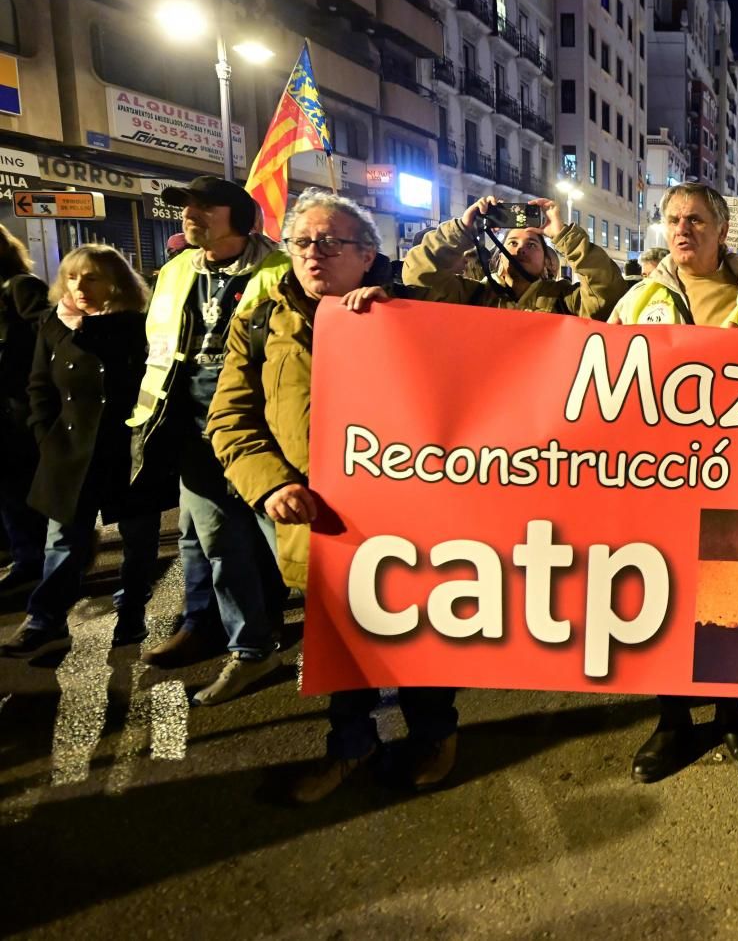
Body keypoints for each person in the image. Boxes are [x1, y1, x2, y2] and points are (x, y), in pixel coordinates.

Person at [209, 189, 459, 803]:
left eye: (332, 242)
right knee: (343, 643)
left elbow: (483, 372)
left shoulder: (413, 308)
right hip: (319, 517)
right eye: (302, 242)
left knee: (422, 630)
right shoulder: (261, 316)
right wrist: (270, 483)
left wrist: (401, 314)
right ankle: (352, 746)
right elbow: (230, 417)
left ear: (369, 255)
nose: (313, 254)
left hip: (411, 514)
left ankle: (434, 735)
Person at [609, 182, 738, 782]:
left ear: (722, 229)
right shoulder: (636, 302)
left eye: (697, 219)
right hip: (659, 481)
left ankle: (733, 714)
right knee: (664, 596)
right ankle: (672, 719)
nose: (683, 228)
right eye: (674, 219)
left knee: (729, 597)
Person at [132, 176, 288, 701]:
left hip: (262, 440)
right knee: (220, 548)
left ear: (239, 219)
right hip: (193, 438)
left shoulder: (283, 271)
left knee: (295, 550)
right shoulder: (175, 271)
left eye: (203, 206)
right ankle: (250, 651)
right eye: (185, 207)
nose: (189, 215)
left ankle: (354, 648)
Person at [0, 246, 160, 655]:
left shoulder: (140, 327)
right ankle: (45, 619)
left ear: (116, 283)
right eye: (72, 277)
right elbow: (40, 387)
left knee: (138, 538)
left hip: (128, 450)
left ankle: (132, 611)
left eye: (92, 278)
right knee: (63, 540)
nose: (80, 287)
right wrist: (45, 437)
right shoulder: (56, 326)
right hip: (70, 452)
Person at [402, 195, 624, 318]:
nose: (520, 249)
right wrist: (463, 229)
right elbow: (418, 275)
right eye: (512, 243)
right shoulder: (474, 296)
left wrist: (563, 235)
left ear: (547, 262)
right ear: (499, 258)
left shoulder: (565, 300)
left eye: (532, 244)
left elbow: (607, 292)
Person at [0, 226, 49, 592]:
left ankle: (35, 555)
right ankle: (23, 551)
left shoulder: (19, 286)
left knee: (21, 482)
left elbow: (49, 336)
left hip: (18, 403)